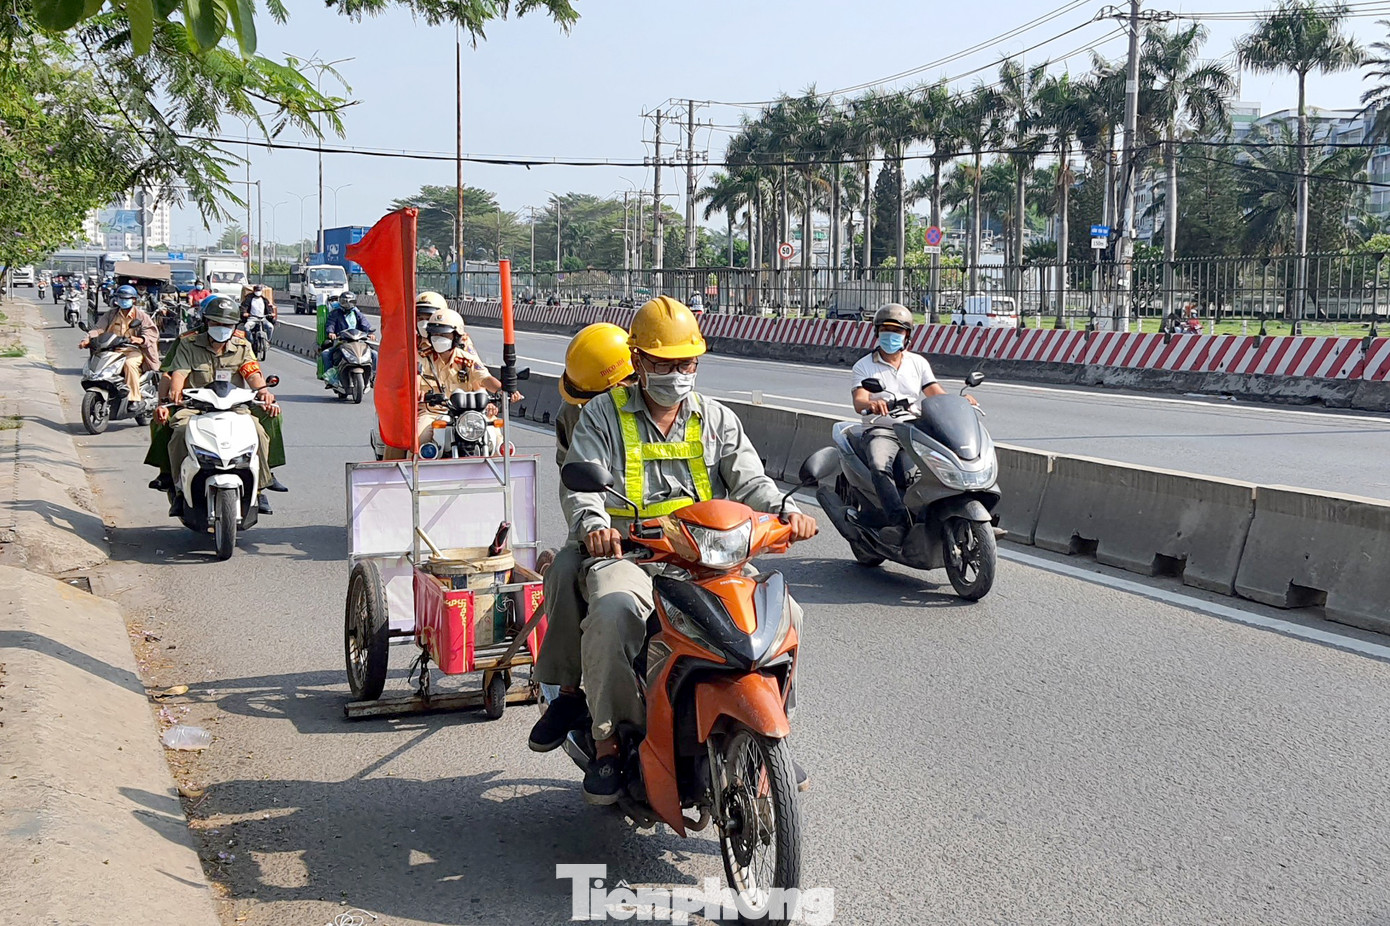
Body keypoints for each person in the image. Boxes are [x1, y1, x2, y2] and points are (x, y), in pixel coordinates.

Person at [536, 296, 817, 804]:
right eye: (664, 364)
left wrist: (784, 513)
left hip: (709, 556)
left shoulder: (716, 418)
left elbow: (750, 480)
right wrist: (596, 524)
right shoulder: (602, 414)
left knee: (786, 615)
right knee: (614, 612)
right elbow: (580, 487)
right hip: (631, 554)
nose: (677, 374)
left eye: (686, 363)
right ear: (638, 362)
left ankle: (771, 729)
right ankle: (609, 743)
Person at [530, 323, 636, 731]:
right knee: (564, 573)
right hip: (606, 531)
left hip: (680, 538)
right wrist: (593, 523)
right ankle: (570, 693)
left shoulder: (683, 410)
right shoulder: (576, 415)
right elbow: (573, 478)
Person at [849, 303, 974, 544]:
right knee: (879, 465)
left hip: (915, 427)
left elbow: (934, 392)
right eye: (885, 330)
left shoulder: (918, 363)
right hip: (881, 428)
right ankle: (898, 522)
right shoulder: (863, 366)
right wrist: (872, 404)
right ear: (876, 333)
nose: (891, 336)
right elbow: (859, 399)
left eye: (897, 331)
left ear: (907, 335)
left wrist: (960, 401)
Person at [155, 295, 281, 514]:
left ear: (234, 326)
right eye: (215, 323)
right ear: (206, 322)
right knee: (178, 433)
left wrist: (264, 392)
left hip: (235, 408)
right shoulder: (188, 344)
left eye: (227, 325)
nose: (221, 328)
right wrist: (174, 392)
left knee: (259, 432)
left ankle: (260, 488)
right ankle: (178, 490)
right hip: (195, 408)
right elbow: (179, 372)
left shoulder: (242, 345)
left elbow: (252, 373)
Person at [381, 307, 520, 460]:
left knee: (498, 442)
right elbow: (416, 377)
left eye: (444, 334)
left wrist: (504, 390)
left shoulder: (467, 359)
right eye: (435, 334)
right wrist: (417, 392)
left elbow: (484, 378)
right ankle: (411, 480)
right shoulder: (420, 358)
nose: (438, 338)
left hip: (469, 414)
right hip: (432, 413)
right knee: (417, 443)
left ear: (456, 336)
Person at [80, 285, 159, 399]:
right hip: (113, 350)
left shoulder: (141, 316)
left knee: (129, 364)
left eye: (126, 298)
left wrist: (140, 339)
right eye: (120, 298)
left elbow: (151, 333)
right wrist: (87, 338)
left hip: (133, 350)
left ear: (133, 300)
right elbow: (98, 329)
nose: (123, 301)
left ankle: (134, 398)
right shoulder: (111, 314)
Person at [320, 291, 377, 385]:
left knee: (374, 354)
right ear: (340, 302)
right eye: (344, 301)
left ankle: (373, 377)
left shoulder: (357, 313)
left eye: (350, 301)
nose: (347, 304)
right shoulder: (336, 313)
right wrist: (331, 333)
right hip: (342, 341)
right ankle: (331, 378)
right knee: (326, 354)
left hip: (358, 341)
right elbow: (331, 324)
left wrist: (370, 333)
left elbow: (365, 324)